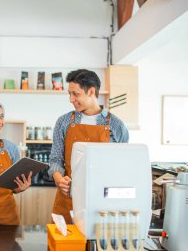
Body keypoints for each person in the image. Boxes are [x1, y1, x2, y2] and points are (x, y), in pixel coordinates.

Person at [48, 69, 129, 223]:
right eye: (69, 94)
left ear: (91, 91)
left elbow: (120, 168)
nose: (71, 99)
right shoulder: (63, 122)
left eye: (75, 94)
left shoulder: (116, 126)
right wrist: (59, 179)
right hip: (67, 200)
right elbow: (55, 159)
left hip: (102, 205)